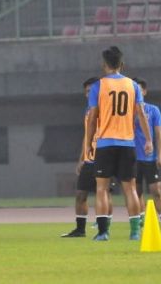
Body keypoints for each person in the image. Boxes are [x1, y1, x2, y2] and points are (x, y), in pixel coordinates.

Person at [85, 46, 153, 241]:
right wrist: (148, 139)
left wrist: (89, 142)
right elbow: (141, 114)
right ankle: (134, 232)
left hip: (105, 144)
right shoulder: (132, 85)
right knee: (130, 188)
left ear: (104, 64)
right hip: (127, 143)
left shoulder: (99, 86)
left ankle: (103, 232)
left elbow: (92, 118)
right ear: (122, 64)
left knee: (102, 189)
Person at [61, 77, 114, 238]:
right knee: (80, 194)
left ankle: (105, 227)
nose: (89, 94)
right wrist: (81, 158)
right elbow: (87, 135)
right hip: (89, 159)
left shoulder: (107, 108)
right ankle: (80, 229)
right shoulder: (88, 111)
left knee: (104, 193)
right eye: (87, 92)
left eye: (92, 90)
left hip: (104, 156)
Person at [132, 77, 161, 234]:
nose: (137, 93)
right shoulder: (127, 112)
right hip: (133, 158)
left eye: (139, 90)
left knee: (156, 190)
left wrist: (159, 156)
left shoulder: (153, 110)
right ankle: (141, 224)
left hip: (149, 158)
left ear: (145, 92)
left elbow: (159, 135)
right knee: (136, 193)